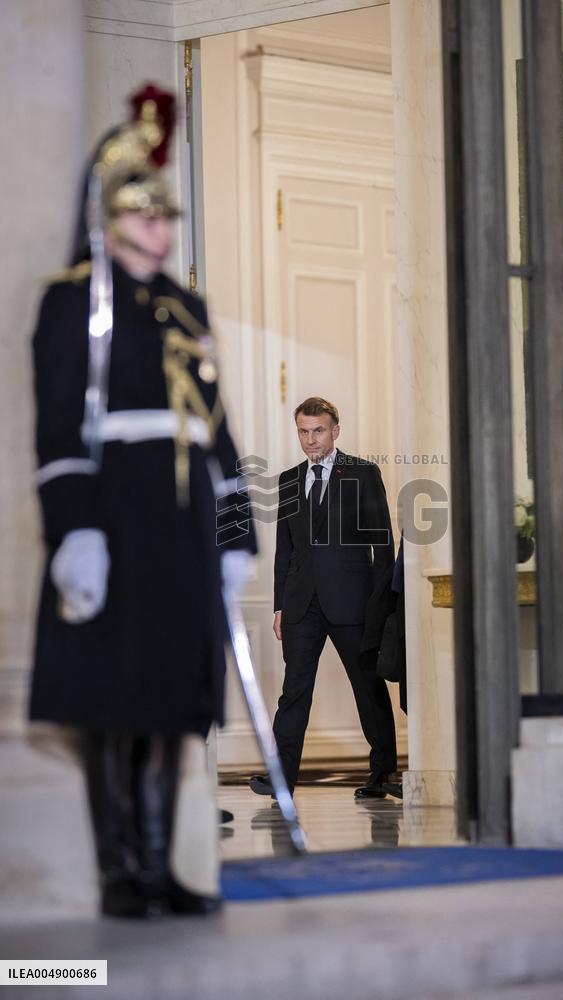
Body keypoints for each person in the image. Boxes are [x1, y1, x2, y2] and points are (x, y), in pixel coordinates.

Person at [30, 84, 256, 919]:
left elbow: (219, 430)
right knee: (114, 701)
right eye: (145, 213)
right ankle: (120, 872)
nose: (162, 229)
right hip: (117, 513)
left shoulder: (183, 304)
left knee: (172, 700)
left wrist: (237, 535)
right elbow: (59, 430)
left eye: (169, 216)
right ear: (109, 216)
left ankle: (164, 868)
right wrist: (75, 532)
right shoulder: (71, 301)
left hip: (185, 520)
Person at [250, 397, 398, 800]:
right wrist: (280, 605)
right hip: (301, 606)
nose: (310, 439)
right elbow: (286, 549)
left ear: (335, 430)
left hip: (353, 603)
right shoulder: (289, 480)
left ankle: (382, 773)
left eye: (318, 430)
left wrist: (381, 606)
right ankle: (281, 777)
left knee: (367, 687)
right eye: (303, 431)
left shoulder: (364, 474)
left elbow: (382, 545)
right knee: (293, 690)